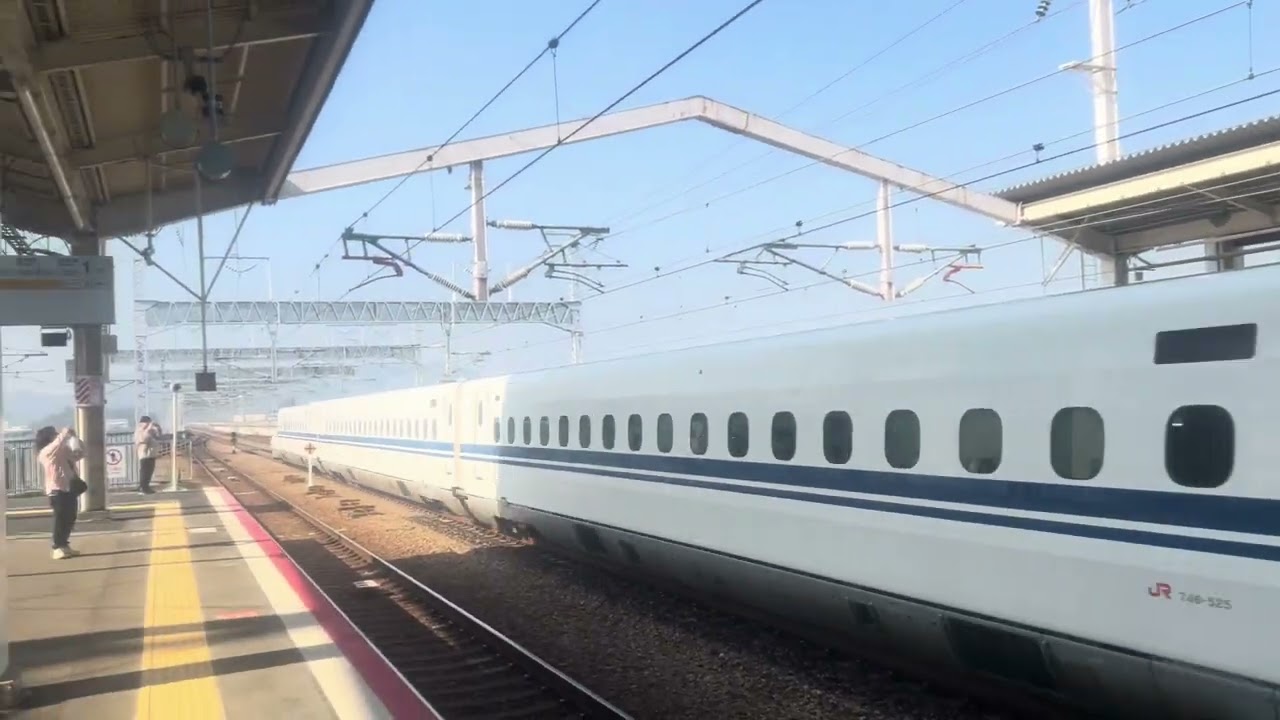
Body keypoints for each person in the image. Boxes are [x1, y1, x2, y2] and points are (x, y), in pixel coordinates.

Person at [36, 426, 83, 559]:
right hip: (56, 489)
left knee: (70, 517)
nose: (56, 436)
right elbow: (58, 443)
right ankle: (57, 547)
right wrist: (64, 433)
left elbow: (79, 454)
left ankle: (64, 545)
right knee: (60, 519)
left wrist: (75, 440)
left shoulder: (62, 450)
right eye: (53, 434)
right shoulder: (46, 452)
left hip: (69, 487)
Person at [135, 416, 161, 494]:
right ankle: (144, 487)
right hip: (145, 453)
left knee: (148, 471)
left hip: (149, 453)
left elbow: (158, 436)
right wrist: (149, 428)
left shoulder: (146, 429)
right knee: (145, 471)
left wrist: (156, 429)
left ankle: (145, 486)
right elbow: (143, 439)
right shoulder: (141, 429)